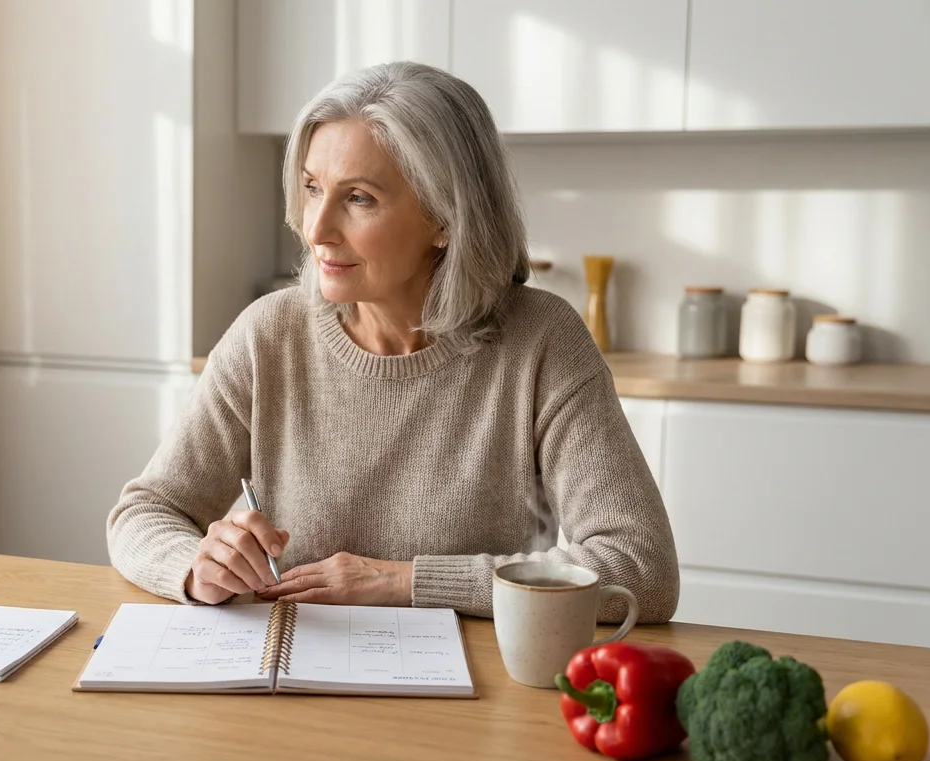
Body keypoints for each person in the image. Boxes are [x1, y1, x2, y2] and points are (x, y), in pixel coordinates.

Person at [105, 61, 680, 623]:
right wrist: (195, 565)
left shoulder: (541, 342)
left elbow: (641, 569)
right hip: (293, 681)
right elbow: (145, 512)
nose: (315, 229)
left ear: (446, 217)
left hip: (472, 695)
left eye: (359, 198)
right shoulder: (269, 334)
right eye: (312, 188)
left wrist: (399, 582)